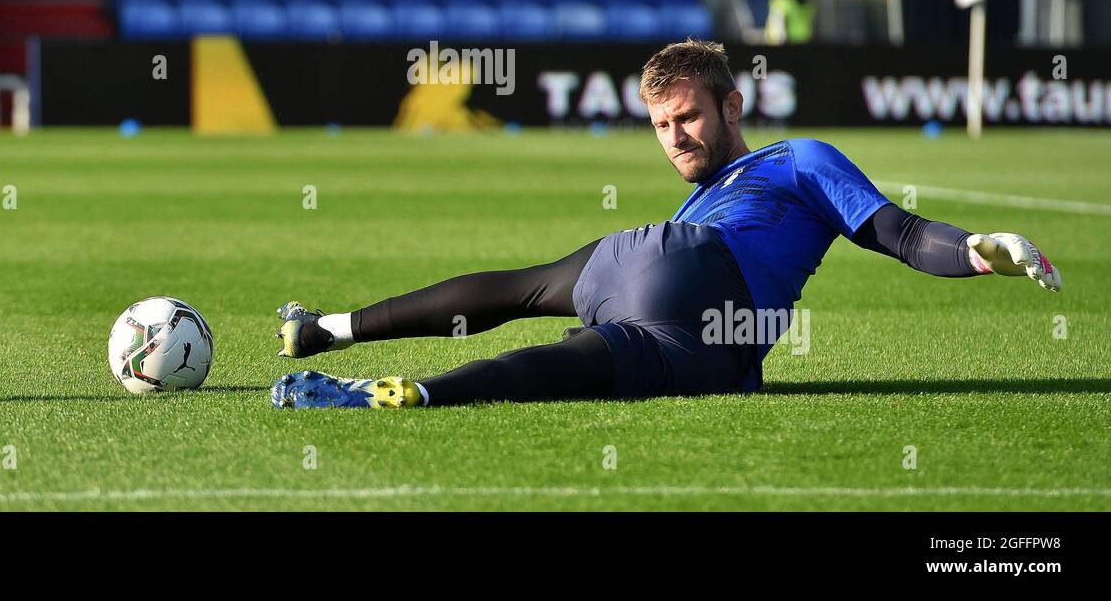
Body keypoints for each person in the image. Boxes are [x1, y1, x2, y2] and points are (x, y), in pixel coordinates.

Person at [270, 39, 1061, 409]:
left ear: (733, 106)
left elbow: (903, 233)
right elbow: (902, 237)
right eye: (659, 124)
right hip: (681, 288)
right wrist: (976, 250)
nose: (674, 136)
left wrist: (976, 248)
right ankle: (391, 379)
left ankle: (341, 340)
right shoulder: (715, 192)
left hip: (666, 268)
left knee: (523, 299)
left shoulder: (797, 157)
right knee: (557, 360)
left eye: (686, 116)